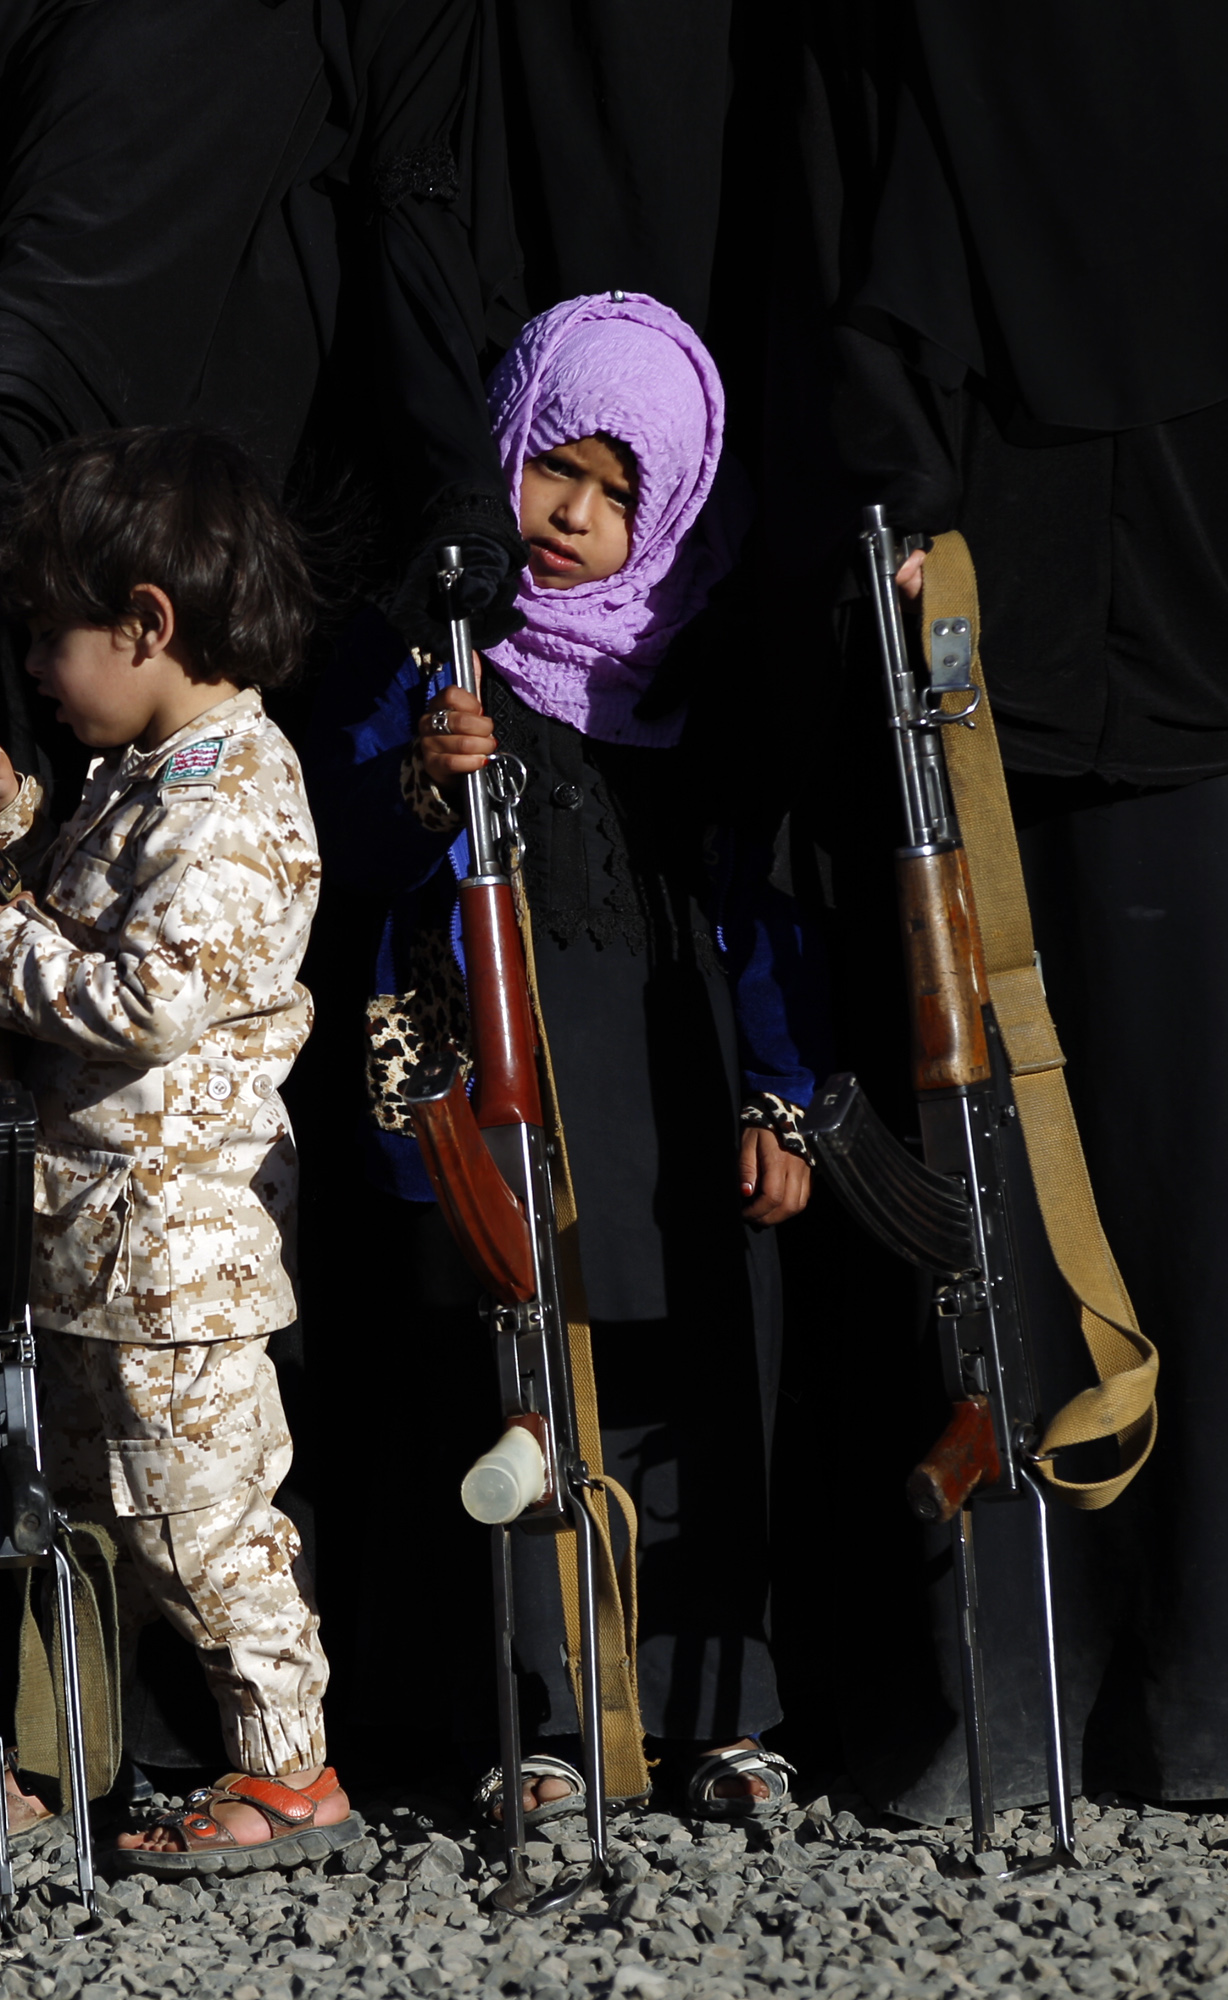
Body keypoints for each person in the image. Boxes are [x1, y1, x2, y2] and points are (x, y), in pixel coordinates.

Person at [802, 0, 1228, 1815]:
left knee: (1212, 1175)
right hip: (1040, 624)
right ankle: (1064, 1696)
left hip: (1201, 593)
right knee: (1008, 1168)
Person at [305, 292, 828, 1820]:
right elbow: (339, 855)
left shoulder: (687, 674)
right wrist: (422, 772)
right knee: (517, 1394)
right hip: (504, 1101)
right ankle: (541, 1728)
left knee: (687, 1387)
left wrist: (781, 1096)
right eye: (554, 469)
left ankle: (717, 1713)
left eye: (619, 493)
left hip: (670, 1095)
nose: (575, 518)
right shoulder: (428, 642)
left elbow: (754, 908)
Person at [0, 426, 350, 1872]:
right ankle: (105, 1765)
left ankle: (292, 1776)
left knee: (207, 1520)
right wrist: (13, 820)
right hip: (107, 1242)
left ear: (148, 623)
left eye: (54, 638)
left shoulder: (231, 798)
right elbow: (111, 916)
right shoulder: (156, 771)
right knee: (121, 1513)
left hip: (178, 1260)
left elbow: (149, 998)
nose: (40, 669)